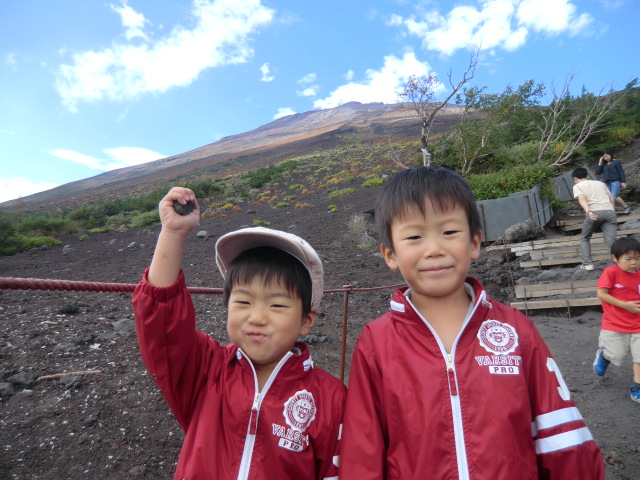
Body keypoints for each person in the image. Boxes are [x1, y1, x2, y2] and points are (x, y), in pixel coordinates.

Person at [339, 166, 604, 479]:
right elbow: (362, 451)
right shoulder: (376, 342)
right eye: (414, 236)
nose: (434, 249)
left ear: (475, 242)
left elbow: (562, 437)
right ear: (390, 254)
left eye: (449, 232)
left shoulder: (515, 329)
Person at [132, 187, 345, 479]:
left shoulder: (331, 398)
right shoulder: (204, 371)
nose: (256, 317)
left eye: (277, 304)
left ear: (306, 321)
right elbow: (161, 323)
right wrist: (172, 232)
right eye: (243, 301)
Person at [594, 236, 640, 404]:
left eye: (637, 258)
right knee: (617, 354)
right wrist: (625, 305)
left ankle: (637, 387)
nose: (634, 263)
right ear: (615, 258)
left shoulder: (639, 275)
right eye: (628, 259)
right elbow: (602, 294)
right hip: (615, 324)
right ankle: (604, 356)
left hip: (638, 325)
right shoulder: (611, 272)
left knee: (639, 357)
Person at [572, 167, 617, 271]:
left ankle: (587, 264)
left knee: (584, 238)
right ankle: (616, 265)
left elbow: (581, 199)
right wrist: (612, 210)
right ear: (587, 176)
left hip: (594, 212)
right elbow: (611, 197)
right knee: (612, 241)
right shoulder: (600, 183)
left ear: (574, 178)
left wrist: (588, 212)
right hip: (609, 212)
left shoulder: (577, 186)